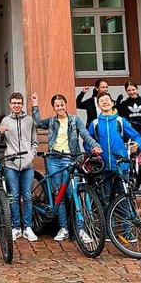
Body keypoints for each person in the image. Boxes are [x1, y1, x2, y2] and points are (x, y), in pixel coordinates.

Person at [31, 92, 102, 241]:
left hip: (71, 159)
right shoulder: (51, 121)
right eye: (57, 106)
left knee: (74, 192)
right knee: (59, 194)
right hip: (54, 159)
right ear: (54, 107)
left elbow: (85, 135)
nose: (60, 107)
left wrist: (94, 146)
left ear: (65, 104)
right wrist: (35, 105)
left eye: (62, 105)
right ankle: (63, 228)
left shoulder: (75, 120)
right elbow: (37, 123)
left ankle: (81, 229)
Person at [87, 93, 141, 224]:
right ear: (98, 105)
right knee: (106, 200)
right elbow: (87, 141)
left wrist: (137, 145)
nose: (105, 102)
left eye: (107, 100)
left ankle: (128, 230)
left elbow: (137, 137)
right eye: (102, 101)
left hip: (121, 166)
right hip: (103, 166)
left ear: (112, 103)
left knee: (125, 197)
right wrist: (92, 149)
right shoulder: (94, 123)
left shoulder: (121, 121)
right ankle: (108, 230)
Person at [0, 92, 39, 242]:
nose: (16, 105)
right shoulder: (5, 120)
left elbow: (35, 142)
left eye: (19, 103)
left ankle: (27, 227)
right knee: (13, 195)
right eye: (14, 103)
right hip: (11, 163)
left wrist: (31, 155)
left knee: (27, 195)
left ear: (22, 104)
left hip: (27, 164)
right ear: (10, 104)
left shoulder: (29, 120)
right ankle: (15, 227)